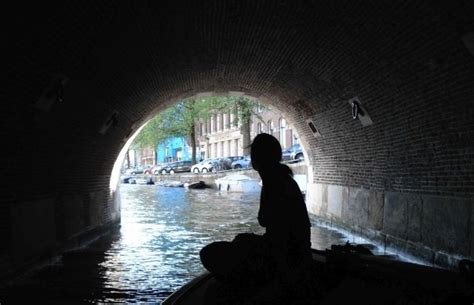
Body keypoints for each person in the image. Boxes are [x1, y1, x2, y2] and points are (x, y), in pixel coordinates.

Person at [199, 133, 312, 289]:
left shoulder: (273, 182)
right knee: (241, 239)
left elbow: (264, 220)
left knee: (208, 253)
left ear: (256, 160)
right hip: (297, 249)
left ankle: (246, 286)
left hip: (283, 254)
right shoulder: (285, 178)